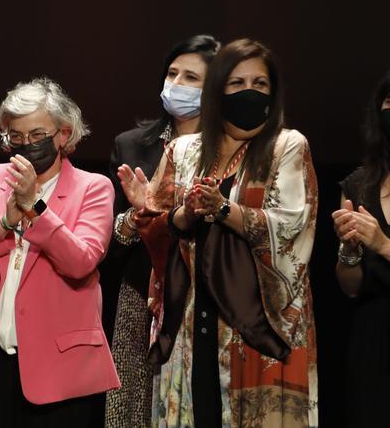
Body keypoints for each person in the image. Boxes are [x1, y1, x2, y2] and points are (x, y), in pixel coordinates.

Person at [118, 38, 318, 427]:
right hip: (192, 320)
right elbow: (161, 230)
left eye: (259, 84)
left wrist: (223, 210)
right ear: (217, 92)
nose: (248, 92)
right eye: (236, 83)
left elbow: (292, 228)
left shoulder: (287, 146)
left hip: (259, 328)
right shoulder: (185, 149)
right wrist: (162, 214)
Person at [0, 77, 118, 427]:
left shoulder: (93, 188)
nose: (26, 145)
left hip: (58, 370)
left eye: (37, 136)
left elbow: (81, 261)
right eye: (16, 137)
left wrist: (34, 207)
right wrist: (4, 224)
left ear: (64, 135)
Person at [103, 34, 219, 427]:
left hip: (205, 297)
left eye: (191, 77)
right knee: (134, 409)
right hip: (141, 294)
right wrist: (137, 217)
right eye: (172, 74)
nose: (177, 84)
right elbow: (113, 241)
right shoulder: (133, 145)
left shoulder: (230, 150)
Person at [332, 69, 390, 427]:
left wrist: (383, 244)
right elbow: (350, 287)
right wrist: (349, 249)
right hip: (373, 341)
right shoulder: (359, 185)